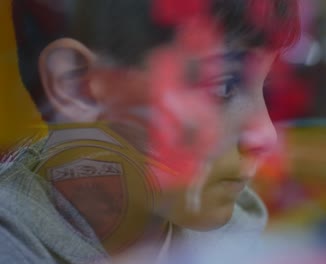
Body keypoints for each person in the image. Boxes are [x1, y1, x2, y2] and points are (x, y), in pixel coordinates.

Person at [0, 0, 300, 263]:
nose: (266, 135)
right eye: (224, 87)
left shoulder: (237, 220)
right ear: (78, 86)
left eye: (267, 88)